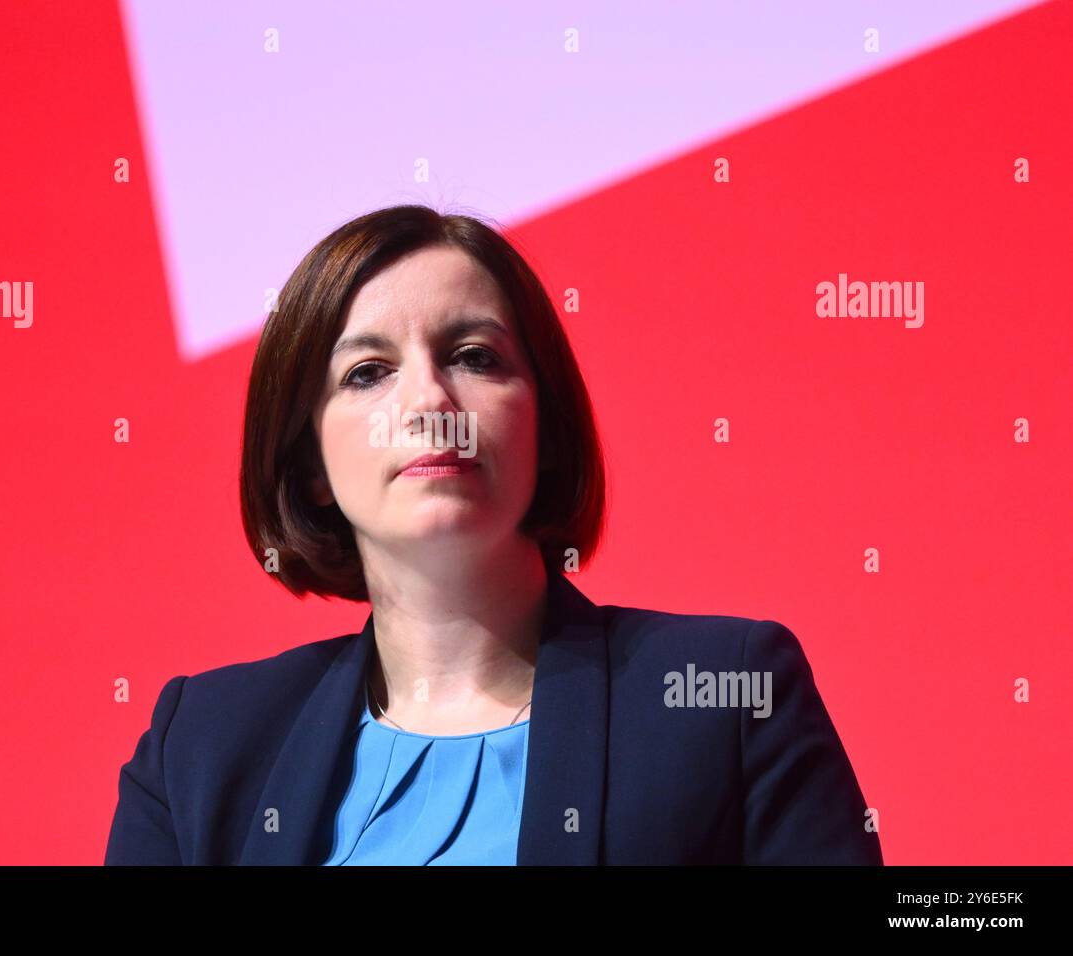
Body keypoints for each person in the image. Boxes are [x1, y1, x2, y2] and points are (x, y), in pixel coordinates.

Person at [103, 205, 883, 865]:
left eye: (474, 357)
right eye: (367, 372)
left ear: (543, 423)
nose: (430, 400)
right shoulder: (200, 747)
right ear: (310, 464)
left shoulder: (728, 698)